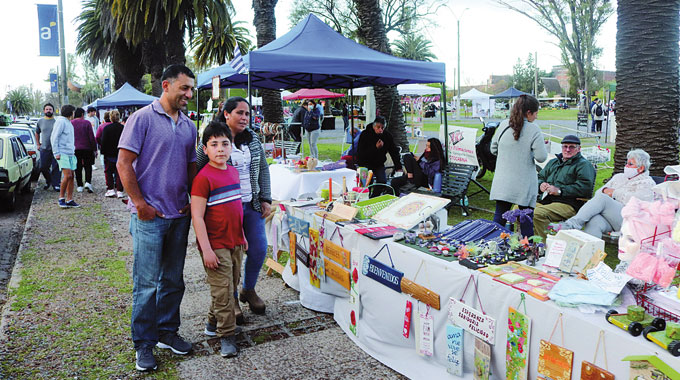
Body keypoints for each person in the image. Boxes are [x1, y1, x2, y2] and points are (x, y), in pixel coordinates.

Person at [117, 64, 198, 372]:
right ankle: (144, 344)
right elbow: (124, 163)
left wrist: (193, 200)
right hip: (150, 217)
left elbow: (191, 166)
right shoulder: (142, 119)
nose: (189, 94)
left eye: (191, 89)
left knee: (173, 280)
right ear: (166, 86)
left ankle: (167, 332)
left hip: (179, 215)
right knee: (146, 284)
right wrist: (139, 203)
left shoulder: (189, 126)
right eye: (184, 89)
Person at [196, 96, 272, 324]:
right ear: (226, 113)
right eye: (240, 112)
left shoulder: (253, 139)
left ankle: (248, 289)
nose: (245, 117)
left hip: (251, 204)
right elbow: (200, 170)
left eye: (247, 113)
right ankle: (231, 299)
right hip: (224, 208)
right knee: (229, 256)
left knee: (258, 249)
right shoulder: (213, 138)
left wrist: (265, 197)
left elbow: (263, 168)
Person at [191, 121, 247, 358]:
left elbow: (237, 209)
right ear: (205, 149)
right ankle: (227, 335)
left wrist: (243, 236)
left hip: (235, 242)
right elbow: (197, 216)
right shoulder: (203, 179)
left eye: (225, 143)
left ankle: (212, 323)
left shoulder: (233, 172)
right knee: (223, 291)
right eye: (214, 145)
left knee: (228, 286)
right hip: (215, 245)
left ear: (231, 146)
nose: (220, 149)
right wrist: (207, 250)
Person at [549, 149, 655, 238]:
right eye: (626, 163)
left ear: (641, 168)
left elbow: (639, 202)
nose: (626, 166)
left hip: (630, 221)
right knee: (595, 221)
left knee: (603, 199)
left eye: (630, 164)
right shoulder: (619, 177)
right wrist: (608, 193)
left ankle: (571, 224)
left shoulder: (647, 183)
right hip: (611, 217)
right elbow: (600, 192)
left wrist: (613, 193)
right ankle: (592, 257)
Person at [489, 95, 548, 237]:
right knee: (526, 220)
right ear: (529, 113)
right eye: (536, 113)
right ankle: (528, 251)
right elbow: (541, 157)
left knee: (499, 219)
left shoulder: (504, 125)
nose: (536, 116)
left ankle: (491, 246)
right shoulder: (534, 129)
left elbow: (493, 149)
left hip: (503, 181)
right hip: (523, 183)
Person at [533, 134, 596, 239]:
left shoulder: (583, 165)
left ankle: (543, 246)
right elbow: (540, 177)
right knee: (520, 209)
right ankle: (526, 243)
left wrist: (559, 191)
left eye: (572, 147)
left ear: (579, 149)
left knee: (537, 214)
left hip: (569, 204)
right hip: (546, 200)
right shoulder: (553, 162)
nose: (567, 149)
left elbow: (585, 188)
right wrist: (541, 185)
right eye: (565, 146)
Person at [356, 115, 402, 196]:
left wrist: (398, 167)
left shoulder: (387, 136)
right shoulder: (365, 134)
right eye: (378, 127)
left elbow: (394, 152)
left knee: (382, 181)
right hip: (365, 162)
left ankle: (374, 197)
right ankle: (365, 197)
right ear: (374, 126)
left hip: (378, 163)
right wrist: (375, 148)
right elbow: (361, 153)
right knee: (367, 183)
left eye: (382, 128)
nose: (380, 130)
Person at [50, 105, 79, 208]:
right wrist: (56, 153)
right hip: (62, 153)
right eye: (73, 112)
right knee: (67, 176)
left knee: (72, 176)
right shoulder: (60, 121)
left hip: (70, 153)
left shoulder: (68, 122)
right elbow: (54, 137)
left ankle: (70, 199)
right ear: (70, 112)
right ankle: (61, 198)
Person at [35, 103, 61, 191]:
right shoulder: (40, 121)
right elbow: (37, 132)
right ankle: (49, 180)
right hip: (44, 148)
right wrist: (38, 144)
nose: (48, 111)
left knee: (56, 167)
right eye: (47, 109)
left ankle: (56, 184)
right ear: (44, 111)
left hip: (56, 148)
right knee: (43, 167)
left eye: (50, 109)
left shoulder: (57, 121)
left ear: (53, 110)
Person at [100, 110, 125, 198]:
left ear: (110, 117)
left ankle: (110, 189)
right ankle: (120, 190)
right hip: (120, 153)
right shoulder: (123, 128)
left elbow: (103, 141)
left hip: (109, 154)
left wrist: (103, 152)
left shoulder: (107, 128)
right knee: (119, 172)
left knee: (108, 172)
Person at [72, 108, 97, 193]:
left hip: (75, 148)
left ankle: (79, 185)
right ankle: (88, 182)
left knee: (77, 167)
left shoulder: (71, 123)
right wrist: (95, 149)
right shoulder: (87, 123)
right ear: (82, 114)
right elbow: (91, 137)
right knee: (88, 166)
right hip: (87, 148)